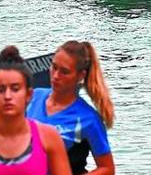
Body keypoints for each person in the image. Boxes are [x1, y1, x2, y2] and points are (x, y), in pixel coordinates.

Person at [0, 46, 71, 175]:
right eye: (1, 90)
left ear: (29, 94)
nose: (8, 96)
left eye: (15, 89)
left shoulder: (48, 137)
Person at [27, 41, 114, 175]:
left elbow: (107, 169)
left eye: (64, 72)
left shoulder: (89, 119)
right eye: (54, 67)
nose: (56, 76)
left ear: (81, 76)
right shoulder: (33, 97)